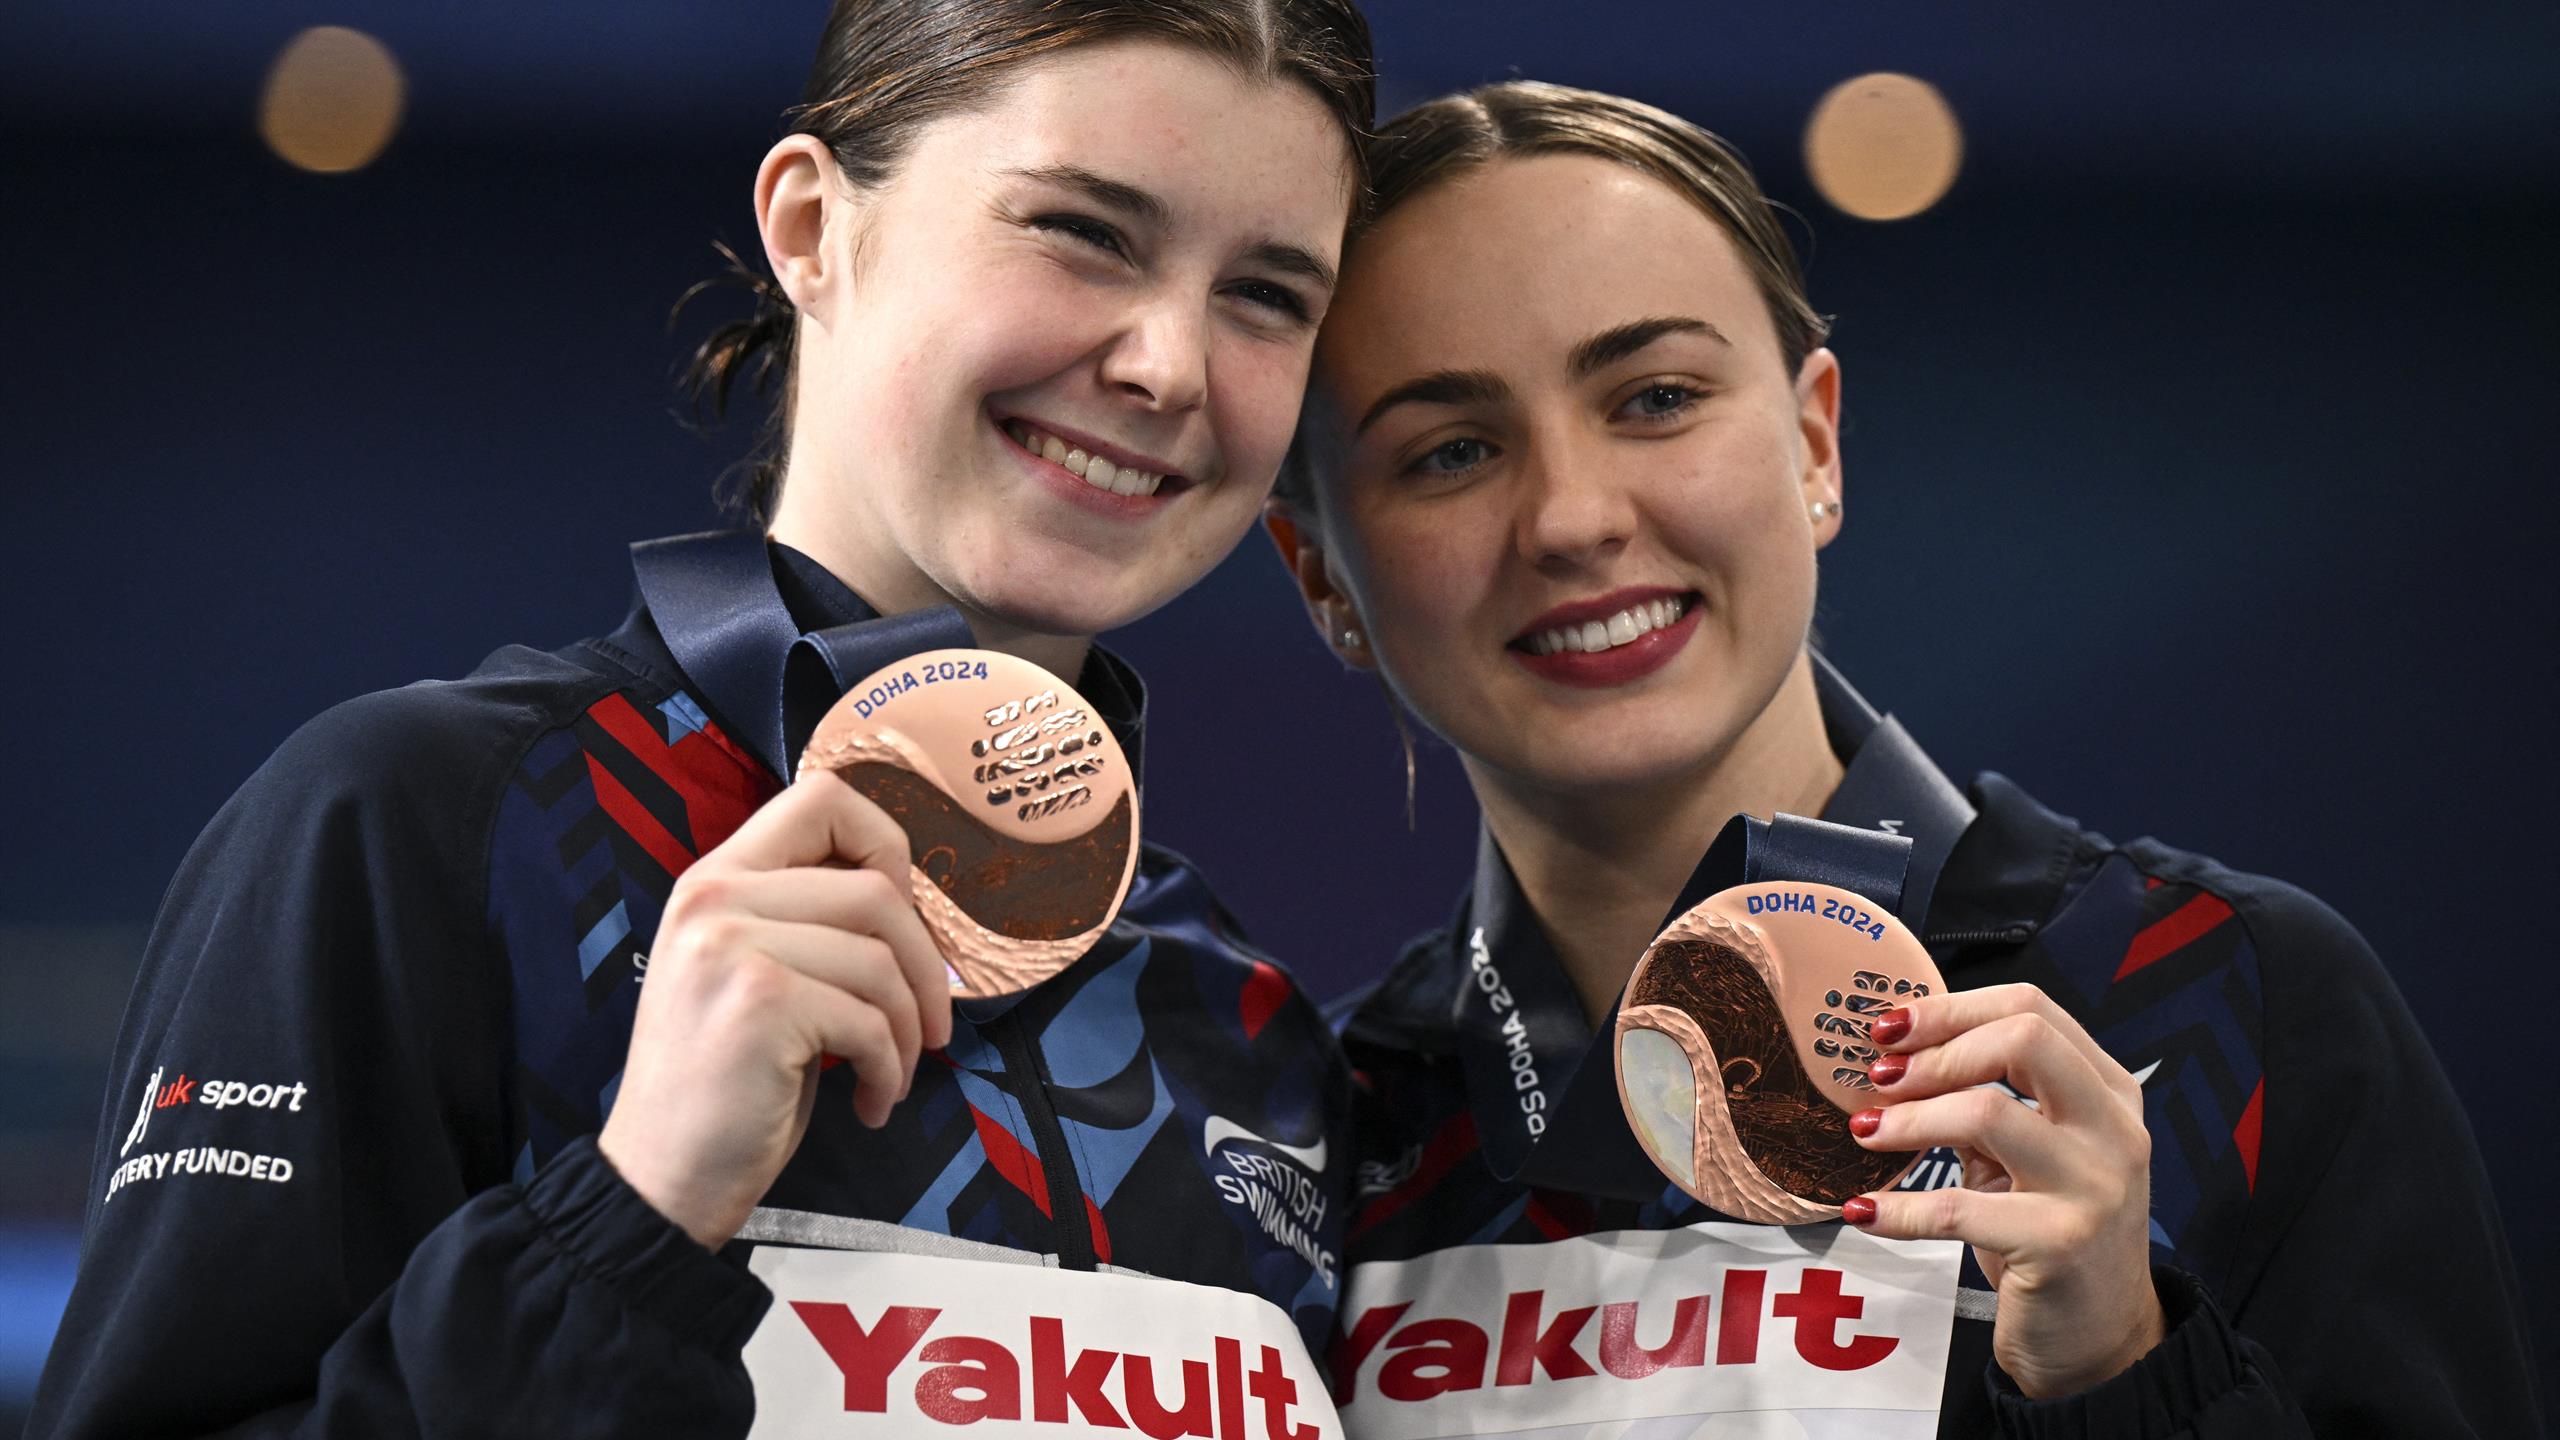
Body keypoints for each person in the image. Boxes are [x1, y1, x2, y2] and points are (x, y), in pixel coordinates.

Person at [31, 2, 1374, 1434]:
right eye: (1084, 232)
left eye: (1266, 295)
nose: (1171, 365)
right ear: (811, 227)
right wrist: (637, 1211)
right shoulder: (428, 827)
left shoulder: (1249, 1027)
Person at [1266, 81, 2541, 1437]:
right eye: (1451, 452)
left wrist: (2119, 1369)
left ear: (1814, 441)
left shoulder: (2221, 998)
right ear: (1323, 576)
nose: (1572, 518)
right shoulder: (1311, 1144)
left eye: (1656, 398)